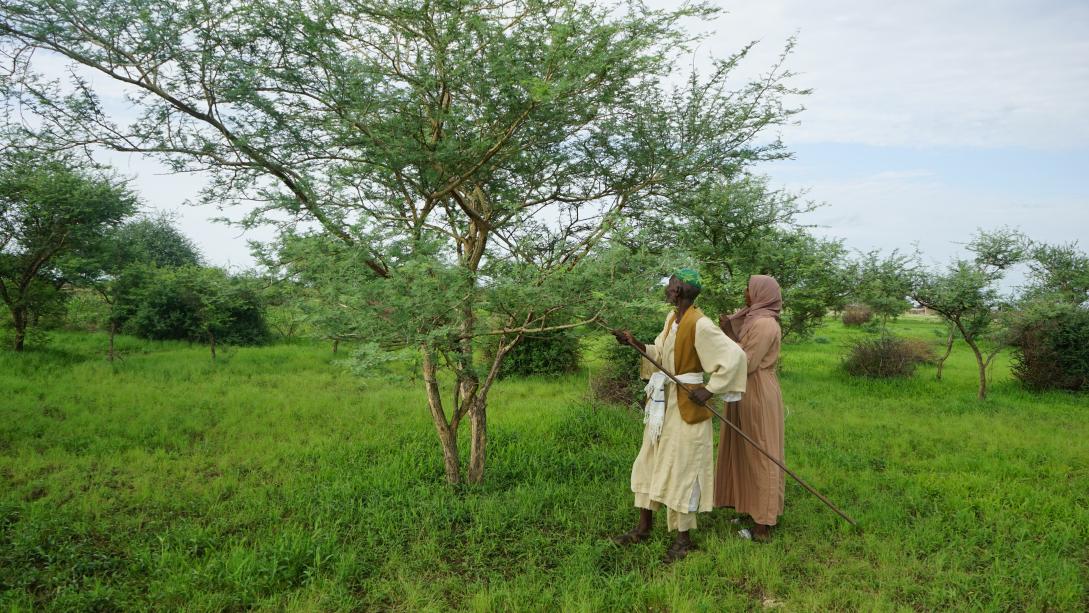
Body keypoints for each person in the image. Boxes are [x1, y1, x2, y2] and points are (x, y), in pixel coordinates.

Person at [611, 268, 747, 562]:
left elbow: (735, 357)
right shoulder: (672, 319)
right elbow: (659, 355)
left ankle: (683, 540)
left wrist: (710, 389)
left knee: (683, 468)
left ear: (681, 290)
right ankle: (643, 527)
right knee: (649, 460)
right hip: (663, 404)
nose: (667, 287)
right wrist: (634, 343)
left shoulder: (701, 324)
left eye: (671, 283)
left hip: (687, 405)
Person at [714, 275, 785, 542]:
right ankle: (748, 507)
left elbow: (748, 360)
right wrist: (729, 331)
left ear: (761, 293)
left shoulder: (765, 324)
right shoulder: (754, 319)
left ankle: (763, 525)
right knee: (743, 450)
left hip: (756, 390)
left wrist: (726, 337)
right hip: (743, 388)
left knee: (761, 452)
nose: (745, 293)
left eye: (749, 289)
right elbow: (741, 350)